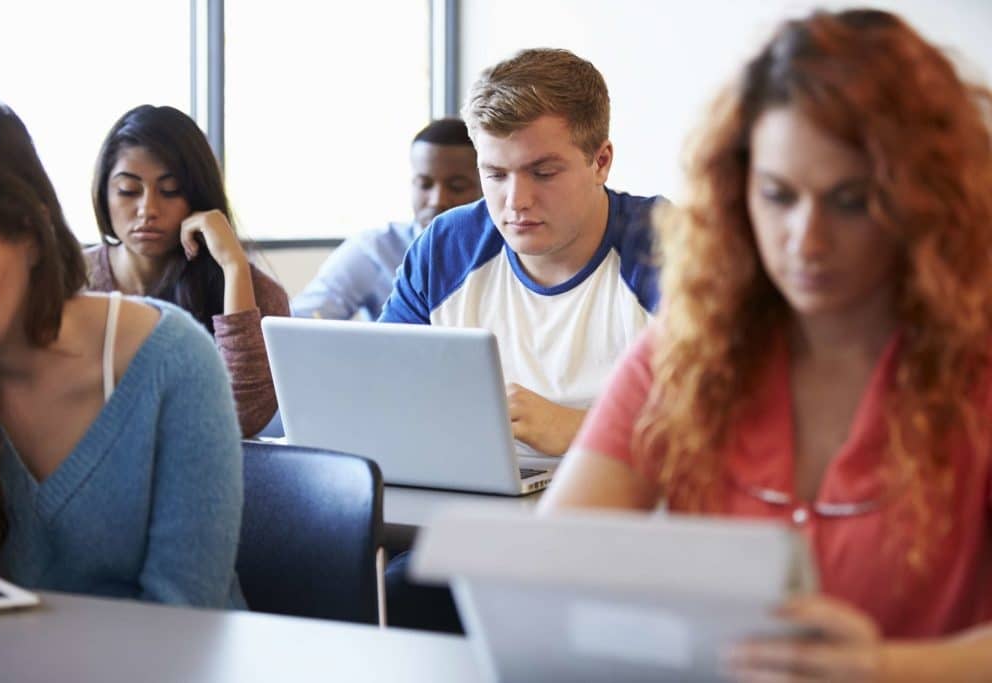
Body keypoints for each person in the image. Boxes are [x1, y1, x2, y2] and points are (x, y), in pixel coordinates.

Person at [542, 9, 992, 680]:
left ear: (926, 201)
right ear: (736, 192)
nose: (806, 242)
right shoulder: (692, 348)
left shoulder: (976, 362)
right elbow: (549, 570)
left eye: (851, 201)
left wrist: (886, 668)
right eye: (778, 196)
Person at [0, 92, 244, 608]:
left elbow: (184, 616)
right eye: (128, 190)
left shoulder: (172, 361)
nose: (147, 210)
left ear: (31, 234)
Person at [380, 48, 664, 457]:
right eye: (495, 175)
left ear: (601, 162)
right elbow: (384, 390)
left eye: (543, 173)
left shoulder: (670, 248)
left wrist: (584, 431)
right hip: (469, 493)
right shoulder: (446, 246)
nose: (516, 201)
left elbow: (734, 427)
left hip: (632, 503)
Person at [87, 105, 289, 438]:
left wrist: (233, 267)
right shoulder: (72, 280)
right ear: (103, 193)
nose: (147, 210)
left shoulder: (256, 293)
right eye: (128, 190)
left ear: (197, 196)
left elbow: (242, 419)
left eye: (170, 191)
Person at [291, 118, 481, 320]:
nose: (438, 200)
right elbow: (303, 321)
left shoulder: (505, 251)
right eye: (424, 185)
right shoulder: (374, 249)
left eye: (457, 187)